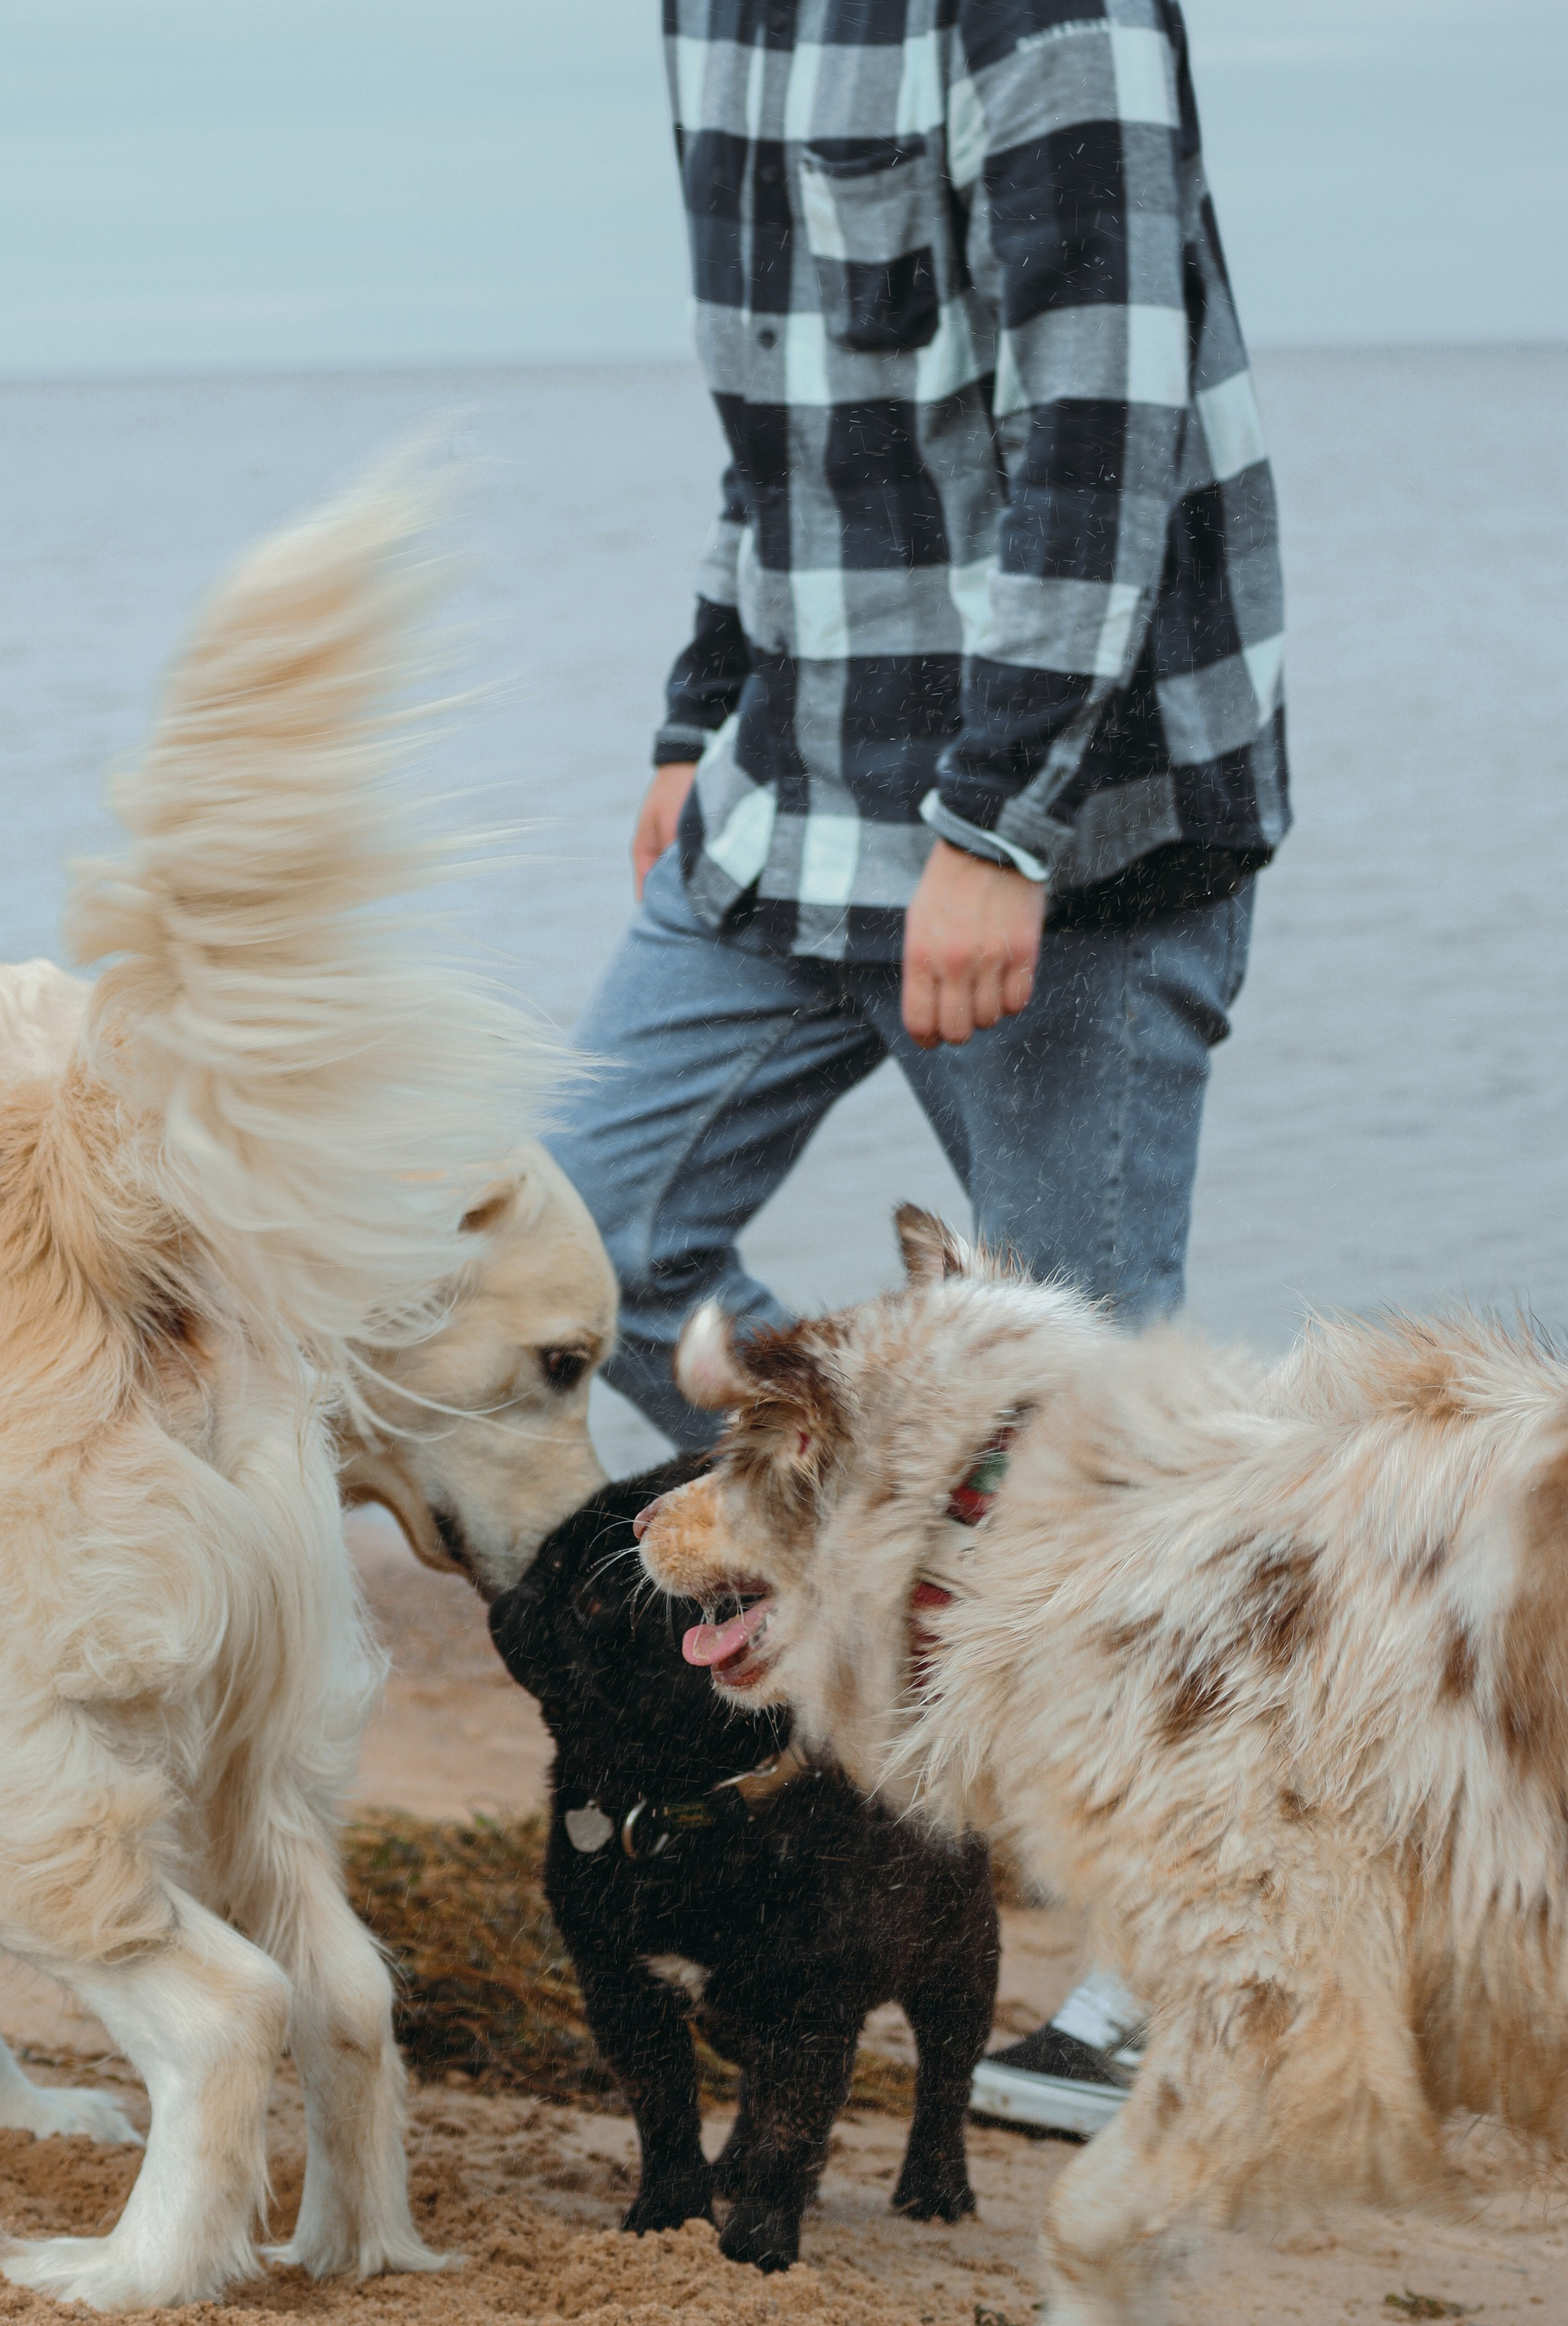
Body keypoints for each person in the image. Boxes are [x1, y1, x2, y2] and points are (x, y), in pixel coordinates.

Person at [547, 0, 1288, 2137]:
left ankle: (1179, 1977)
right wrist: (698, 709)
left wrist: (1000, 821)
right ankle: (834, 1746)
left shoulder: (1041, 18)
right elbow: (788, 413)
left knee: (1088, 1448)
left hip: (1068, 828)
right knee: (554, 1272)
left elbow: (1103, 420)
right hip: (794, 790)